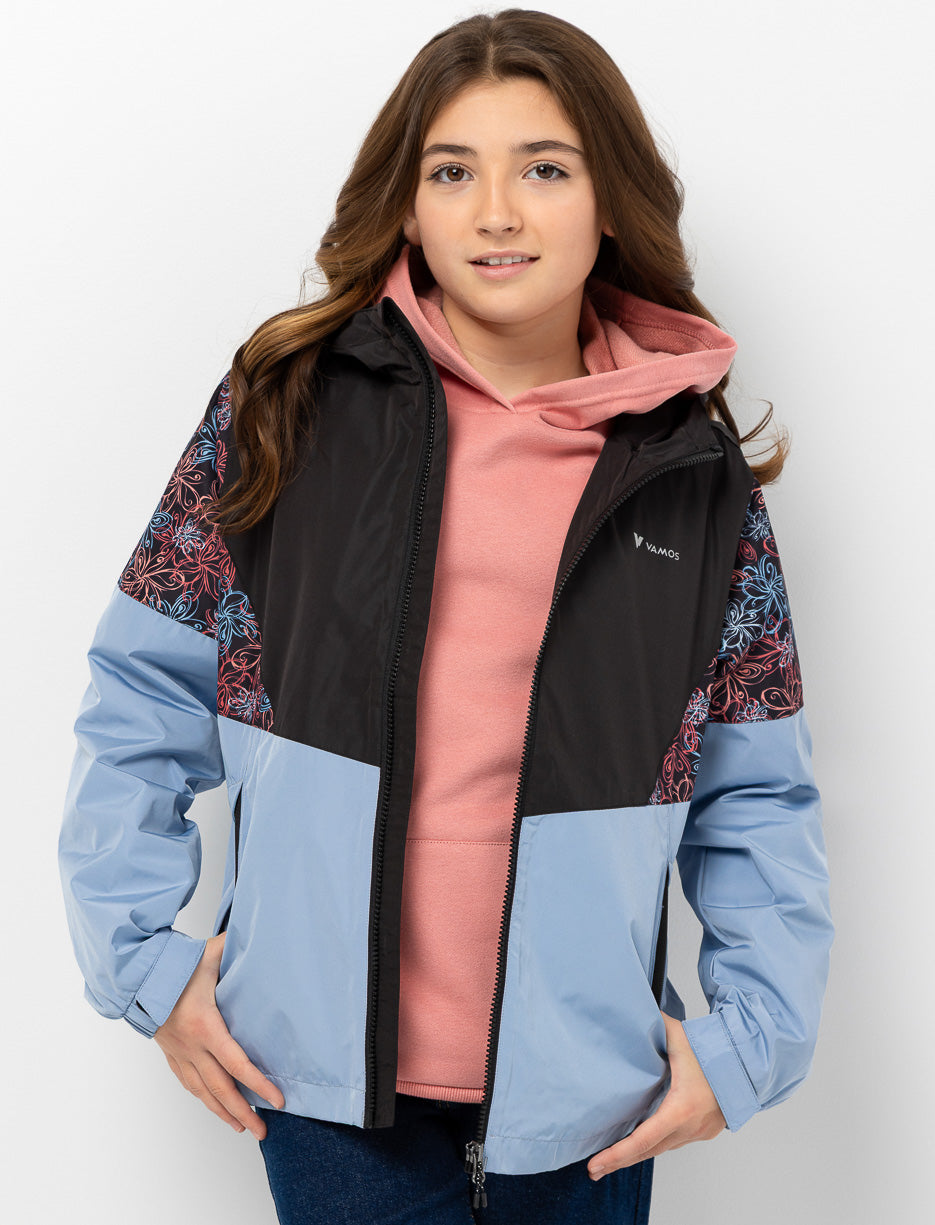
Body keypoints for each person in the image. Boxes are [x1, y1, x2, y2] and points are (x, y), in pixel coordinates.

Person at [57, 8, 834, 1223]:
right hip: (321, 1095)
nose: (496, 212)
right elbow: (142, 692)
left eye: (545, 169)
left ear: (609, 201)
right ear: (408, 207)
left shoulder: (690, 477)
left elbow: (755, 791)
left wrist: (748, 1043)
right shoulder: (285, 412)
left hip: (591, 1107)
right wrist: (143, 961)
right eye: (452, 172)